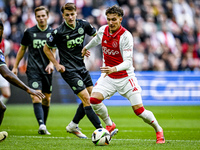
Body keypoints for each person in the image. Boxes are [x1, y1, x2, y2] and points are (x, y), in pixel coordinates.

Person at [82, 5, 165, 144]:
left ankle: (158, 129)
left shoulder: (126, 36)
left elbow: (128, 62)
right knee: (94, 100)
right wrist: (85, 48)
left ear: (120, 19)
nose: (111, 22)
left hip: (126, 78)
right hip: (109, 77)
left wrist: (113, 69)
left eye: (114, 19)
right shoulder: (103, 30)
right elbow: (97, 40)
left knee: (139, 111)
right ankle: (110, 124)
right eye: (108, 19)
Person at [43, 2, 104, 139]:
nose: (70, 17)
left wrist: (87, 47)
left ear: (76, 13)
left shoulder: (83, 25)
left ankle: (73, 125)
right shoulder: (58, 32)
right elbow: (46, 48)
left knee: (93, 99)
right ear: (63, 16)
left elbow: (97, 37)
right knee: (86, 99)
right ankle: (102, 130)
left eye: (72, 14)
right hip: (68, 70)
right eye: (67, 15)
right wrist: (56, 64)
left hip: (82, 67)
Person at [12, 6, 56, 135]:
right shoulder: (29, 32)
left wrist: (52, 63)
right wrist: (15, 66)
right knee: (36, 96)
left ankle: (43, 124)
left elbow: (54, 49)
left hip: (47, 70)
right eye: (38, 16)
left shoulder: (53, 32)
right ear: (35, 17)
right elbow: (22, 49)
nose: (41, 18)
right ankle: (41, 125)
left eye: (43, 16)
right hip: (33, 69)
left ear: (47, 16)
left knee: (46, 99)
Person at [0, 19, 45, 142]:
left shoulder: (4, 46)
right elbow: (7, 74)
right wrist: (28, 88)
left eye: (1, 30)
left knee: (1, 108)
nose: (1, 33)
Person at [0, 38, 11, 104]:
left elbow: (6, 56)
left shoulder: (6, 44)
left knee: (7, 94)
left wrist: (6, 69)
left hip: (1, 70)